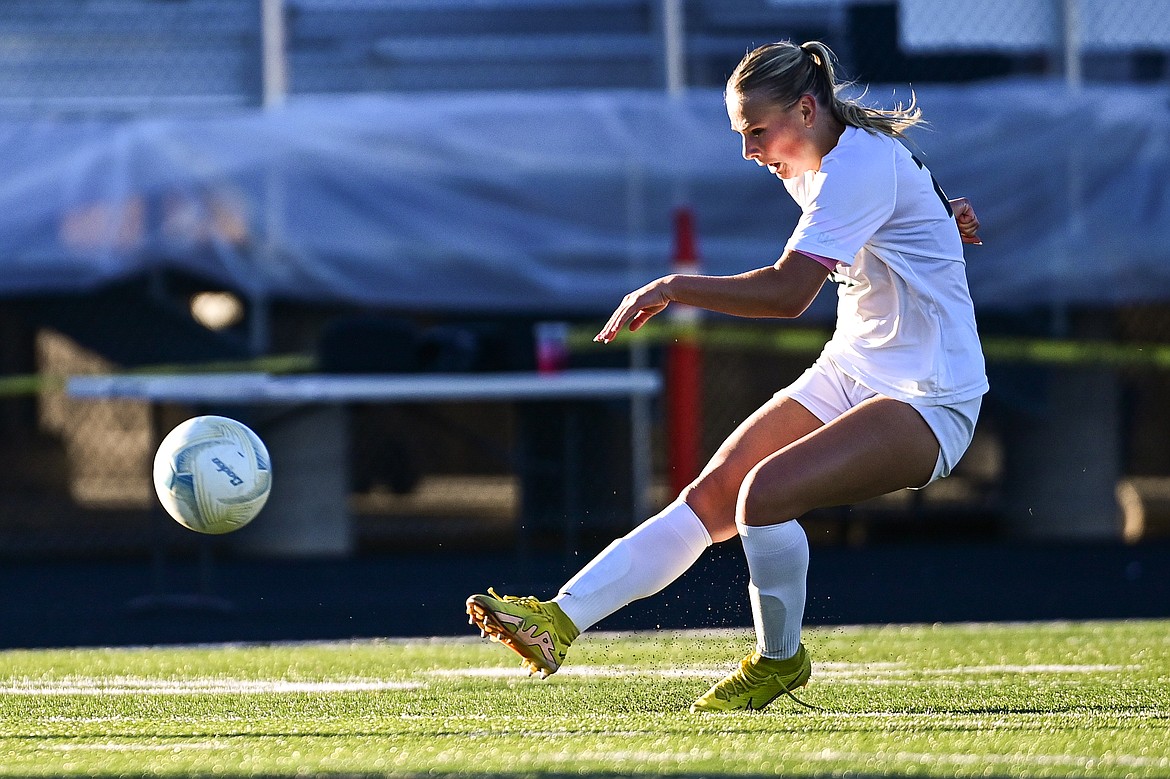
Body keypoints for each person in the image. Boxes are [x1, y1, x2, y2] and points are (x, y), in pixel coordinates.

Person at [466, 39, 988, 713]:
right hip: (853, 368)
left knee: (762, 497)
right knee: (712, 497)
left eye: (756, 132)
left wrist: (674, 286)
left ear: (805, 108)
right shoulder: (817, 155)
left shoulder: (852, 164)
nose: (749, 152)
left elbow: (785, 293)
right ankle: (557, 622)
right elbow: (905, 209)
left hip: (930, 398)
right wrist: (947, 218)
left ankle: (780, 661)